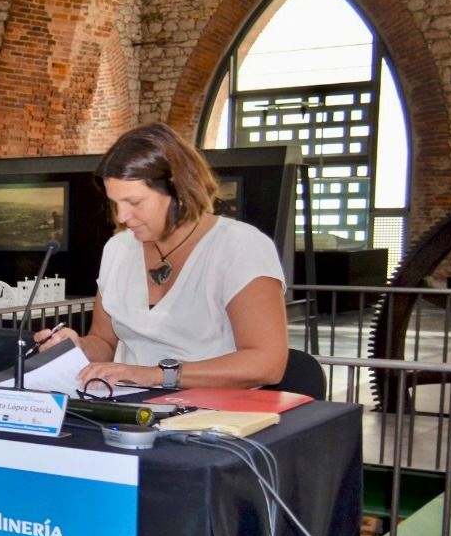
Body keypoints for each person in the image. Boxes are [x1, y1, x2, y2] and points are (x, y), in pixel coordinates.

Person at [36, 123, 287, 390]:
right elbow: (105, 343)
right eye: (115, 203)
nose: (121, 216)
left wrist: (155, 374)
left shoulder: (240, 246)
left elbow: (267, 364)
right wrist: (78, 347)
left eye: (134, 203)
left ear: (177, 191)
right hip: (128, 407)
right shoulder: (118, 249)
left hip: (215, 416)